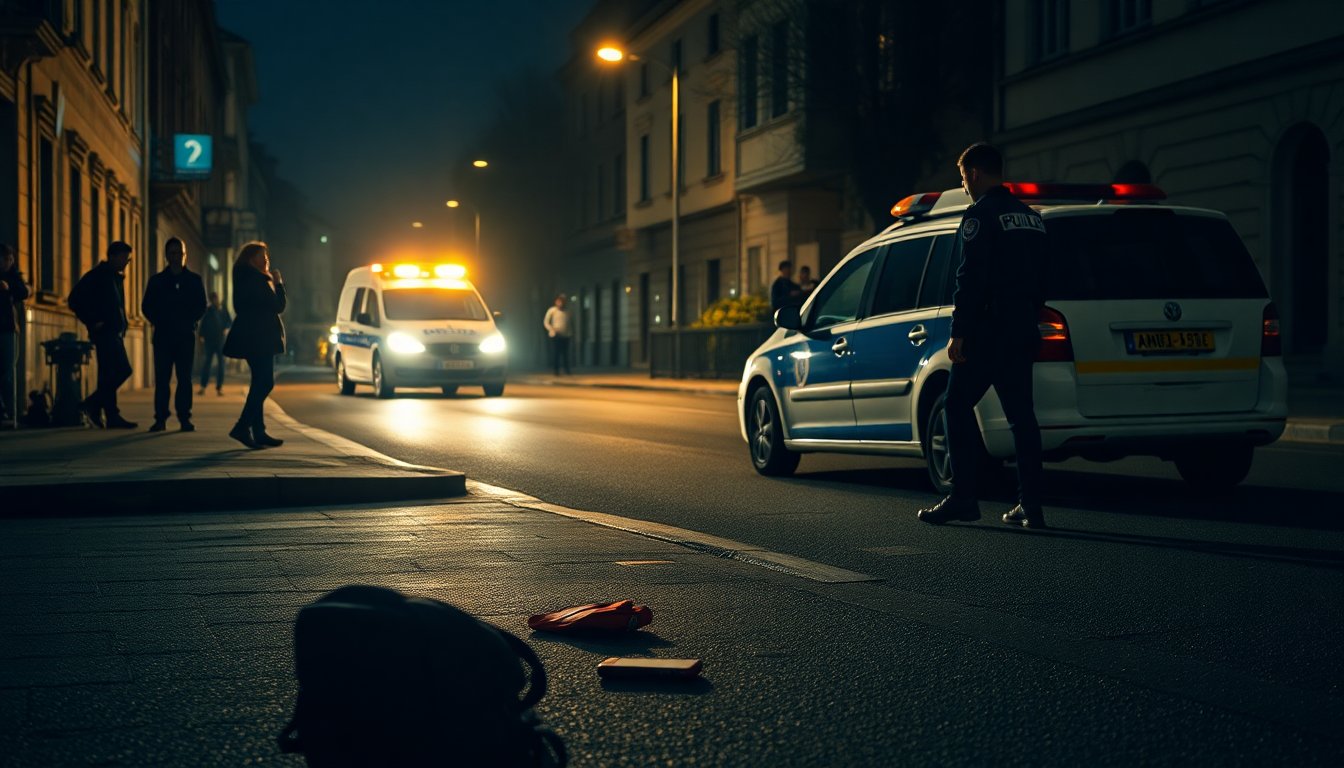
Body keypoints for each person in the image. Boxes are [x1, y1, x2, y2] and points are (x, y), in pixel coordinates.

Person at [918, 143, 1048, 529]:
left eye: (963, 178)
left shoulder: (980, 215)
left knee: (955, 405)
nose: (964, 186)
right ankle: (1031, 506)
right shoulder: (1031, 218)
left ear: (974, 174)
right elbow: (1045, 277)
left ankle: (963, 498)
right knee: (1022, 418)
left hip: (988, 331)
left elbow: (970, 277)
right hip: (1021, 329)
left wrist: (959, 333)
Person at [222, 242, 286, 449]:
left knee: (258, 382)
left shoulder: (245, 277)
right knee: (265, 382)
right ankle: (242, 426)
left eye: (266, 256)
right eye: (262, 256)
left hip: (252, 337)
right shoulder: (256, 280)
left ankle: (258, 431)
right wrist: (278, 284)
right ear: (252, 259)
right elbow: (278, 306)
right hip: (260, 338)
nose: (266, 260)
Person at [68, 241, 137, 429]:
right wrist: (92, 320)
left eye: (128, 259)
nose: (126, 262)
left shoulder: (115, 277)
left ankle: (109, 414)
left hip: (114, 332)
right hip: (104, 332)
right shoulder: (98, 275)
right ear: (112, 256)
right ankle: (91, 404)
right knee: (123, 370)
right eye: (124, 258)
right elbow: (74, 300)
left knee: (107, 375)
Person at [141, 237, 207, 432]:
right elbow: (147, 306)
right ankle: (160, 418)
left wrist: (190, 320)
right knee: (162, 379)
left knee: (184, 378)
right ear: (166, 256)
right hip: (163, 336)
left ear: (184, 255)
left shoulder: (194, 280)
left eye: (179, 253)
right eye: (172, 253)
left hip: (185, 336)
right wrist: (159, 320)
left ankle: (184, 417)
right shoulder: (157, 281)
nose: (176, 257)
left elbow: (201, 305)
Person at [0, 244, 29, 428]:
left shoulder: (13, 276)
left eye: (10, 259)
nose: (8, 263)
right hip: (6, 328)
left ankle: (10, 413)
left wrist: (8, 287)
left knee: (8, 372)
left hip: (8, 328)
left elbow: (23, 292)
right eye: (5, 259)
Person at [198, 291, 231, 395]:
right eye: (213, 299)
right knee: (207, 363)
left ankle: (219, 387)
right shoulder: (208, 310)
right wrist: (201, 335)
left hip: (220, 341)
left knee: (221, 364)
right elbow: (203, 324)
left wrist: (226, 329)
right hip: (210, 341)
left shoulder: (223, 309)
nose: (215, 301)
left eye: (216, 299)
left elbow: (229, 322)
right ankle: (203, 386)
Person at [543, 294, 572, 376]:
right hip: (556, 335)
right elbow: (546, 322)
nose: (560, 303)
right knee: (556, 353)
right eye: (559, 301)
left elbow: (570, 323)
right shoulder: (552, 311)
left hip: (566, 335)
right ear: (556, 302)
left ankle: (567, 370)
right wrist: (551, 329)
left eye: (562, 302)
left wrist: (570, 333)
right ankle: (556, 370)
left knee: (565, 353)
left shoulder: (568, 311)